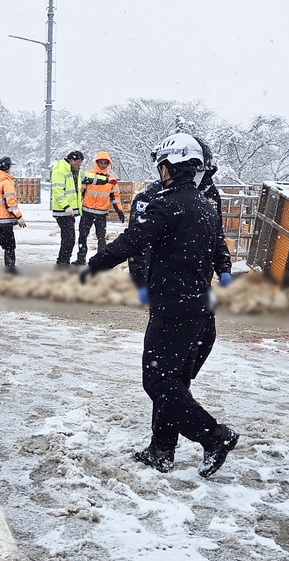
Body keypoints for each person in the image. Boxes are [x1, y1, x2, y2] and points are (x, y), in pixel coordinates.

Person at [83, 133, 237, 478]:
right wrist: (224, 271)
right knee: (174, 384)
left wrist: (94, 266)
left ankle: (214, 436)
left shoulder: (167, 205)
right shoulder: (205, 205)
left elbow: (130, 242)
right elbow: (217, 251)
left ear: (168, 168)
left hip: (174, 309)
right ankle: (161, 450)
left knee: (157, 382)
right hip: (200, 309)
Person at [128, 135, 230, 306]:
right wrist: (139, 279)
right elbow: (135, 243)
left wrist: (223, 267)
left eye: (198, 171)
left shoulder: (210, 195)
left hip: (199, 283)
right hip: (164, 283)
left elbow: (216, 234)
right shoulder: (151, 197)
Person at [74, 151, 126, 264]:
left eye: (105, 163)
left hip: (101, 213)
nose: (103, 165)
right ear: (96, 162)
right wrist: (75, 208)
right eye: (101, 162)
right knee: (82, 236)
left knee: (101, 238)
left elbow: (115, 197)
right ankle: (81, 258)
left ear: (108, 164)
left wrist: (120, 211)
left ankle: (101, 261)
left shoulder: (112, 179)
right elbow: (80, 193)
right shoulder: (88, 175)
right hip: (86, 211)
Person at [50, 150, 84, 265]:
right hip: (62, 211)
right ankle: (63, 262)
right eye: (78, 163)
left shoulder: (75, 171)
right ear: (71, 160)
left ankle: (63, 261)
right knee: (69, 239)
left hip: (69, 211)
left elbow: (88, 177)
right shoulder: (60, 170)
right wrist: (66, 206)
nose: (79, 166)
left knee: (69, 239)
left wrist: (106, 179)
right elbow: (57, 191)